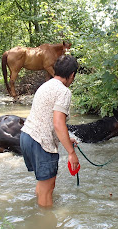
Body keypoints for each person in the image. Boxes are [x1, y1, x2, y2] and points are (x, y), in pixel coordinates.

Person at [20, 54, 80, 207]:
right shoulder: (64, 91)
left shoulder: (46, 85)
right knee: (48, 188)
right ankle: (45, 225)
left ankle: (39, 211)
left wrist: (65, 140)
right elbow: (58, 123)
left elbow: (45, 119)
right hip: (41, 142)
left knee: (43, 184)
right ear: (72, 75)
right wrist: (71, 153)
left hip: (26, 136)